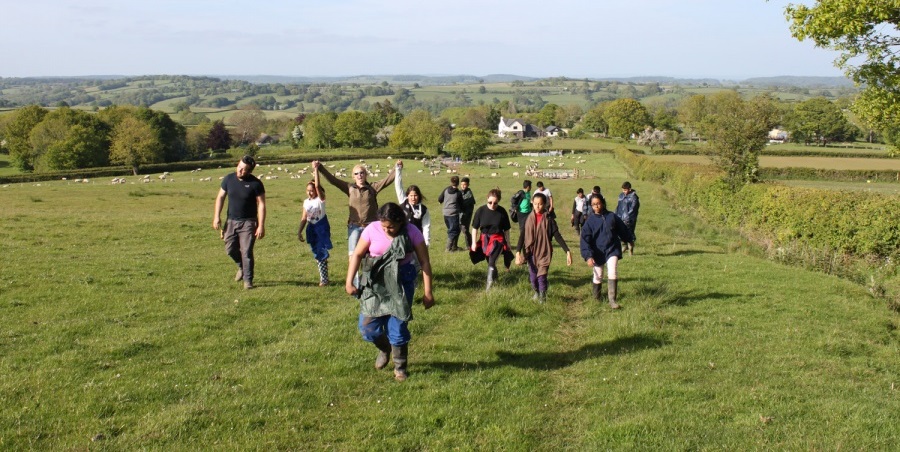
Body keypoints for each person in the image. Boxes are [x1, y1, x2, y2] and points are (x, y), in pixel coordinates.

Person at [346, 203, 435, 382]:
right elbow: (357, 254)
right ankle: (385, 348)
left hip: (402, 282)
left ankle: (400, 367)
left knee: (398, 326)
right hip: (375, 283)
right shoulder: (372, 229)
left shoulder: (412, 232)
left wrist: (428, 292)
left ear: (401, 221)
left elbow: (425, 261)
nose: (387, 230)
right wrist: (349, 281)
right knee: (367, 327)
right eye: (384, 226)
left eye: (391, 226)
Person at [314, 160, 397, 256]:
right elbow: (333, 180)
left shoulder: (373, 188)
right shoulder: (349, 188)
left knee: (373, 255)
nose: (359, 175)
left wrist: (397, 168)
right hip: (354, 227)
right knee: (353, 255)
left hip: (370, 227)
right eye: (356, 173)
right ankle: (355, 272)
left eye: (362, 173)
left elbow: (387, 180)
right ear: (353, 176)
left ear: (366, 174)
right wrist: (320, 167)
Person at [212, 155, 266, 290]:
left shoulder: (256, 184)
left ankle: (248, 281)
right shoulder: (228, 179)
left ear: (250, 171)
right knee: (230, 249)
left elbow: (261, 204)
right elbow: (220, 197)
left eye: (244, 170)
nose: (240, 171)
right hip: (231, 221)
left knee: (246, 251)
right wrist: (216, 216)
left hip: (249, 222)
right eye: (239, 167)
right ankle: (242, 267)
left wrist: (261, 225)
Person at [581, 193, 636, 309]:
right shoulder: (589, 222)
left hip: (612, 249)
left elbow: (623, 230)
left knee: (613, 271)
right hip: (597, 252)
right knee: (598, 275)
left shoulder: (612, 216)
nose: (596, 206)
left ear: (603, 203)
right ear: (591, 206)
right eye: (594, 204)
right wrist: (588, 256)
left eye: (598, 203)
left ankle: (612, 300)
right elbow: (585, 241)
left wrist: (630, 239)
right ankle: (596, 299)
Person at [515, 192, 572, 303]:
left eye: (540, 204)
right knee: (533, 278)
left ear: (545, 204)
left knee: (541, 276)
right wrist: (518, 252)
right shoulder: (527, 219)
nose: (537, 206)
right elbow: (522, 236)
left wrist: (567, 251)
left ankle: (542, 298)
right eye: (535, 203)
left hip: (544, 252)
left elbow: (557, 236)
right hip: (530, 253)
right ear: (532, 203)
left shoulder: (549, 220)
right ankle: (536, 292)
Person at [470, 188, 514, 291]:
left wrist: (508, 243)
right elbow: (474, 228)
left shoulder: (502, 212)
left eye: (495, 203)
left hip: (497, 239)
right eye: (490, 202)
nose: (492, 205)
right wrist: (473, 243)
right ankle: (496, 277)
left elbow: (506, 230)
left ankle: (488, 288)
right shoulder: (480, 211)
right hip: (484, 239)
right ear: (487, 199)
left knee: (492, 262)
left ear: (499, 201)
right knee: (490, 261)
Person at [297, 167, 333, 286]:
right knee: (316, 252)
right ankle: (324, 275)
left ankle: (324, 280)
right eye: (308, 190)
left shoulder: (320, 200)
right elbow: (304, 217)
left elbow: (317, 186)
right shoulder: (306, 202)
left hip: (321, 227)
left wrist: (316, 170)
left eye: (312, 190)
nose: (310, 192)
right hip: (311, 228)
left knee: (320, 251)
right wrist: (299, 231)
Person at [394, 161, 431, 246]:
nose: (413, 198)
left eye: (415, 195)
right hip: (403, 238)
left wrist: (426, 242)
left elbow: (426, 226)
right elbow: (398, 186)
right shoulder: (403, 201)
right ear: (407, 195)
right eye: (411, 195)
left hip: (417, 240)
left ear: (419, 196)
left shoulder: (424, 210)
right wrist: (398, 169)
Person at [437, 175, 463, 251]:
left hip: (445, 214)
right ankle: (448, 249)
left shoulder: (446, 189)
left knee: (456, 230)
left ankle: (454, 247)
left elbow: (439, 199)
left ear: (451, 182)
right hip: (453, 214)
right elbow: (461, 204)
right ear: (458, 183)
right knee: (453, 231)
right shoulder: (458, 193)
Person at [615, 181, 640, 255]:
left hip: (630, 220)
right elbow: (618, 206)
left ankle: (630, 249)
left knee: (629, 234)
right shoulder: (621, 196)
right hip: (620, 217)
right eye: (623, 190)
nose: (624, 191)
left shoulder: (634, 197)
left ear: (629, 189)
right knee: (620, 233)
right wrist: (616, 215)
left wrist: (628, 217)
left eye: (625, 190)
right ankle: (624, 246)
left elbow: (634, 209)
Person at [509, 179, 533, 244]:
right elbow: (513, 199)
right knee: (522, 229)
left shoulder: (528, 193)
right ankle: (522, 242)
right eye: (530, 186)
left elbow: (527, 201)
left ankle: (529, 240)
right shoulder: (521, 192)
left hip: (529, 212)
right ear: (528, 187)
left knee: (530, 226)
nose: (531, 187)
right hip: (521, 213)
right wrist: (515, 208)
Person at [459, 177, 476, 250]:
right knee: (460, 229)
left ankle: (469, 245)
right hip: (461, 214)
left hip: (467, 214)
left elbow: (464, 203)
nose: (463, 186)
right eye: (462, 184)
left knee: (465, 229)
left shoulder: (469, 194)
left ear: (468, 185)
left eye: (465, 184)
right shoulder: (460, 192)